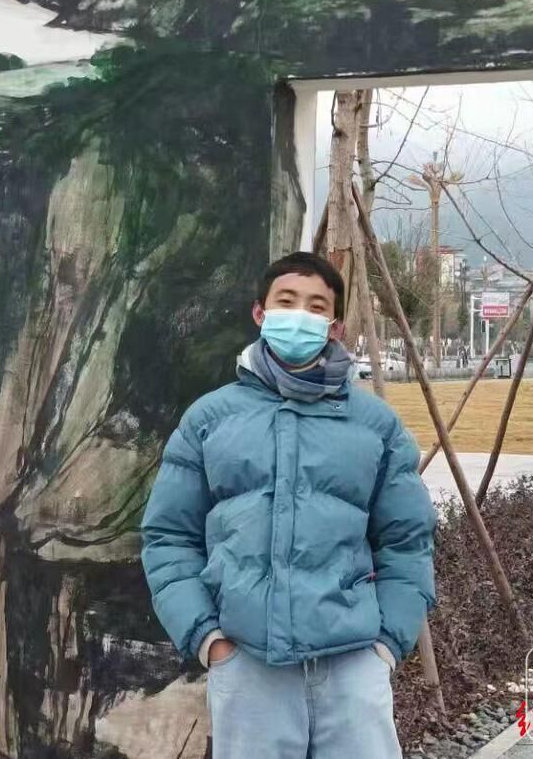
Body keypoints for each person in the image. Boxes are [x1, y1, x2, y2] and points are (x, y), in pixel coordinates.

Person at [141, 251, 437, 759]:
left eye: (316, 306)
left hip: (353, 666)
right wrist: (209, 640)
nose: (300, 315)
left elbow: (407, 539)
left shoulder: (376, 426)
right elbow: (168, 536)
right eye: (286, 301)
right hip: (248, 667)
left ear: (335, 326)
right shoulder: (208, 420)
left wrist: (386, 645)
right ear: (260, 313)